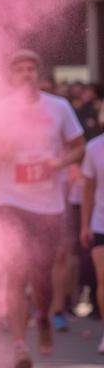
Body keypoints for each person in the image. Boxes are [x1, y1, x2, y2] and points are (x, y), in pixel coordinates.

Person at [0, 50, 84, 368]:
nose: (27, 74)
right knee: (16, 272)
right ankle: (19, 347)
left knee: (41, 277)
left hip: (49, 204)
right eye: (20, 70)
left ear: (39, 74)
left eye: (32, 68)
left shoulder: (58, 107)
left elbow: (79, 145)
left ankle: (43, 315)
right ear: (11, 76)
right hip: (11, 200)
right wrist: (1, 150)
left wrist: (59, 162)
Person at [78, 133, 104, 355]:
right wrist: (84, 225)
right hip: (100, 223)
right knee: (103, 278)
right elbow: (88, 189)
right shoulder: (95, 147)